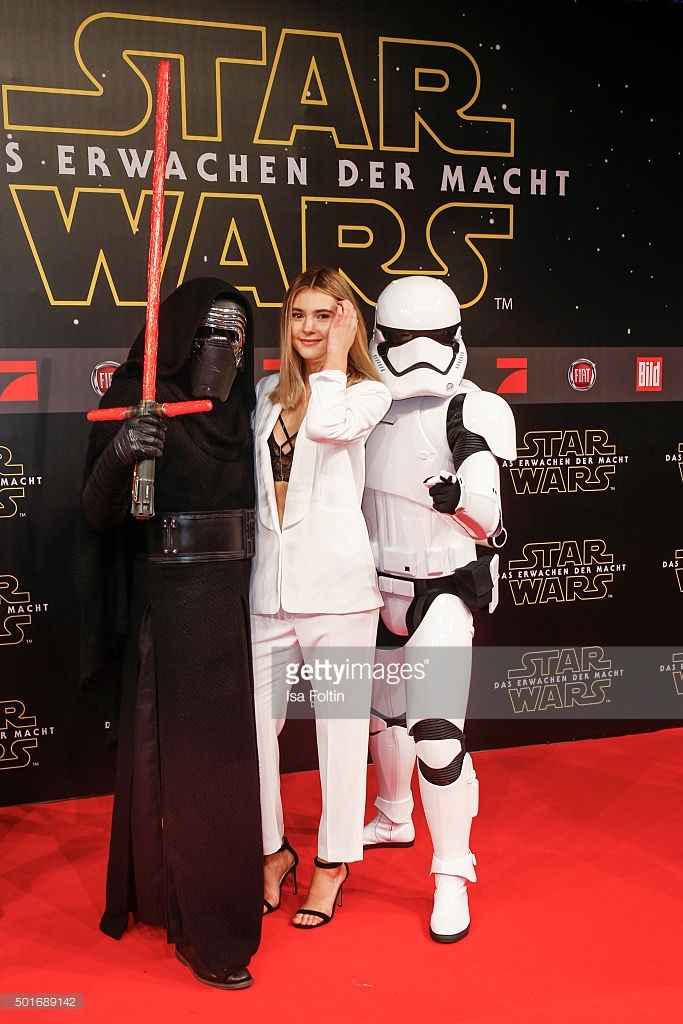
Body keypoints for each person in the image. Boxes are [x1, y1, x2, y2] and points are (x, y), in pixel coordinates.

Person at [72, 278, 262, 989]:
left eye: (237, 336)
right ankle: (195, 922)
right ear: (180, 336)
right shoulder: (139, 392)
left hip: (232, 600)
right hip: (167, 600)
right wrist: (123, 448)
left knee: (224, 772)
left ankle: (217, 913)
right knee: (177, 767)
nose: (225, 349)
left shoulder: (246, 407)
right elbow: (97, 515)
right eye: (211, 333)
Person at [360, 275, 517, 943]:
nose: (419, 355)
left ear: (455, 340)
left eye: (433, 339)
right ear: (380, 341)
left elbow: (488, 514)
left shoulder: (471, 410)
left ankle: (452, 872)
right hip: (373, 587)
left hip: (442, 587)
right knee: (382, 716)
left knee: (437, 735)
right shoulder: (360, 405)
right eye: (405, 340)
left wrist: (458, 498)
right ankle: (393, 813)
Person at [250, 266, 391, 928]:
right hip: (268, 589)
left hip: (337, 592)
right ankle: (272, 851)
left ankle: (333, 863)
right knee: (253, 730)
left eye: (324, 315)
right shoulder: (266, 393)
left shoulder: (366, 392)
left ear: (346, 319)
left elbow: (330, 427)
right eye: (299, 315)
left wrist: (335, 357)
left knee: (339, 733)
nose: (308, 327)